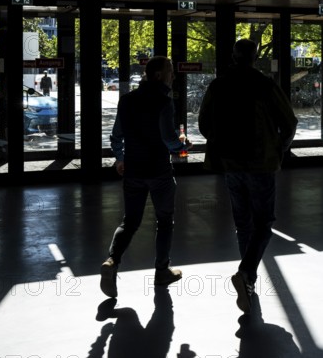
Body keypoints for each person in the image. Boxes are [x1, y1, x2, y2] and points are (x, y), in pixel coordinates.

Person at [198, 39, 298, 313]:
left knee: (243, 224)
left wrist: (222, 144)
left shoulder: (219, 85)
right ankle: (246, 275)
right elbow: (289, 122)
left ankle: (248, 278)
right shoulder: (265, 85)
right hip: (260, 163)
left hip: (231, 163)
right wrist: (278, 148)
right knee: (264, 223)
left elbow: (204, 123)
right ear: (255, 57)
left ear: (232, 55)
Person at [101, 56, 192, 298]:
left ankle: (111, 261)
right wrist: (183, 145)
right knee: (164, 221)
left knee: (130, 222)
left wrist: (121, 158)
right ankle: (161, 271)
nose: (174, 76)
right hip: (159, 171)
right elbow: (169, 138)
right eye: (171, 71)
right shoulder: (163, 101)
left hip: (133, 169)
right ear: (160, 75)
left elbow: (116, 135)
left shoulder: (127, 100)